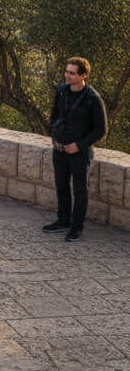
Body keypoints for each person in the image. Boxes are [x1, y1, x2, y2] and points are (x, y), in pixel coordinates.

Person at [44, 57, 108, 242]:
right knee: (61, 185)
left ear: (83, 75)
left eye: (72, 73)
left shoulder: (93, 99)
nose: (67, 75)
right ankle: (62, 220)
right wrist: (54, 138)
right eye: (66, 71)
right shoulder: (62, 91)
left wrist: (79, 145)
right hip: (60, 148)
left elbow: (101, 130)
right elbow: (54, 117)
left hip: (80, 152)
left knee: (80, 190)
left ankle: (76, 227)